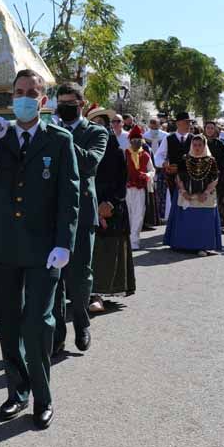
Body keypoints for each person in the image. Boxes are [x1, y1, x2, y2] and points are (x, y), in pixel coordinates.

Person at [0, 69, 79, 430]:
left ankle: (43, 397)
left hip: (42, 250)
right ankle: (17, 392)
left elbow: (69, 197)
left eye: (32, 92)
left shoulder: (60, 141)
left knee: (38, 323)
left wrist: (65, 243)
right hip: (1, 247)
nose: (25, 97)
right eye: (19, 91)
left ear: (43, 101)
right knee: (9, 324)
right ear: (11, 97)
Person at [51, 83, 108, 355]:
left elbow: (90, 164)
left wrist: (62, 137)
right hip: (51, 212)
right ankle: (57, 333)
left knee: (80, 274)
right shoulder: (48, 131)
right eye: (60, 102)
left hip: (83, 211)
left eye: (70, 103)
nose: (64, 108)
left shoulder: (96, 132)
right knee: (55, 276)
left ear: (82, 104)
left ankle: (82, 322)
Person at [85, 107, 134, 305]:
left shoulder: (116, 150)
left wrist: (110, 203)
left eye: (105, 124)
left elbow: (122, 180)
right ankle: (88, 293)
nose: (102, 127)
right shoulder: (84, 148)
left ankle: (100, 291)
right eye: (96, 123)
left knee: (108, 250)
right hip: (88, 203)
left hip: (112, 206)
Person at [165, 134, 222, 255]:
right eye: (194, 145)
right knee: (187, 220)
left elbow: (215, 179)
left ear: (204, 146)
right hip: (187, 195)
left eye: (199, 145)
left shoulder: (211, 160)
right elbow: (178, 177)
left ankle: (203, 246)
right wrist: (184, 191)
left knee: (204, 221)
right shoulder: (185, 159)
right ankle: (184, 245)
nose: (197, 148)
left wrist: (206, 192)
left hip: (205, 196)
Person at [154, 111, 193, 227]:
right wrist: (164, 163)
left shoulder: (194, 139)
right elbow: (158, 156)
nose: (189, 125)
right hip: (173, 177)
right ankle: (176, 228)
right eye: (186, 122)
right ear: (179, 123)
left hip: (191, 177)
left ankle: (188, 227)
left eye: (189, 122)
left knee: (190, 202)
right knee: (175, 202)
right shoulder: (168, 139)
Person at [124, 125, 152, 250]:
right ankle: (127, 239)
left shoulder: (146, 155)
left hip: (140, 189)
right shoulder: (124, 153)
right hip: (126, 188)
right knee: (128, 213)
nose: (136, 142)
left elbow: (152, 170)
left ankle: (134, 240)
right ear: (130, 141)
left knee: (139, 214)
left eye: (138, 140)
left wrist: (146, 175)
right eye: (133, 140)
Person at [145, 117, 169, 225]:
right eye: (152, 123)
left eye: (156, 124)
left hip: (161, 167)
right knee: (150, 191)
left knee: (161, 191)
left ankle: (161, 214)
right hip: (148, 167)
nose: (153, 125)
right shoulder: (144, 136)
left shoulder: (166, 136)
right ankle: (151, 216)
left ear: (160, 124)